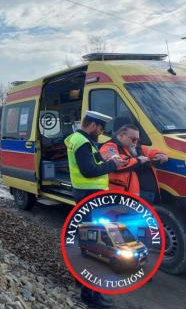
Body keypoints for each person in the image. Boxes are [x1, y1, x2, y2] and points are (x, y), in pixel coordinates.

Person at [64, 111, 127, 308]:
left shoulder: (80, 139)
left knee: (88, 242)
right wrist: (112, 165)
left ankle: (84, 286)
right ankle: (90, 296)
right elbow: (89, 170)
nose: (101, 133)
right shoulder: (82, 142)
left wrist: (107, 159)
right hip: (89, 196)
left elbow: (92, 161)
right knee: (95, 245)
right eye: (100, 129)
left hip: (85, 196)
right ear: (92, 125)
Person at [100, 124, 168, 203]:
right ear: (121, 135)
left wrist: (160, 155)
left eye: (137, 140)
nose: (135, 142)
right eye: (133, 139)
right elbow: (116, 162)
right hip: (123, 197)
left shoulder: (134, 146)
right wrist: (138, 161)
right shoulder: (109, 146)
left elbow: (150, 152)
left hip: (146, 195)